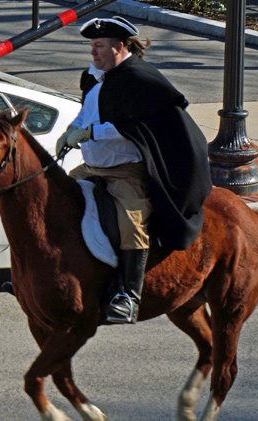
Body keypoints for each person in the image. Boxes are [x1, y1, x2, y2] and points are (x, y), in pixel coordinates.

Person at [55, 16, 212, 324]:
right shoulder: (94, 76)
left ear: (121, 47)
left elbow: (135, 125)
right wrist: (72, 130)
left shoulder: (140, 78)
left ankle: (128, 295)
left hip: (126, 172)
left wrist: (91, 134)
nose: (93, 53)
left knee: (131, 223)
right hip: (91, 168)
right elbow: (86, 113)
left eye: (99, 46)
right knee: (54, 202)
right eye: (92, 46)